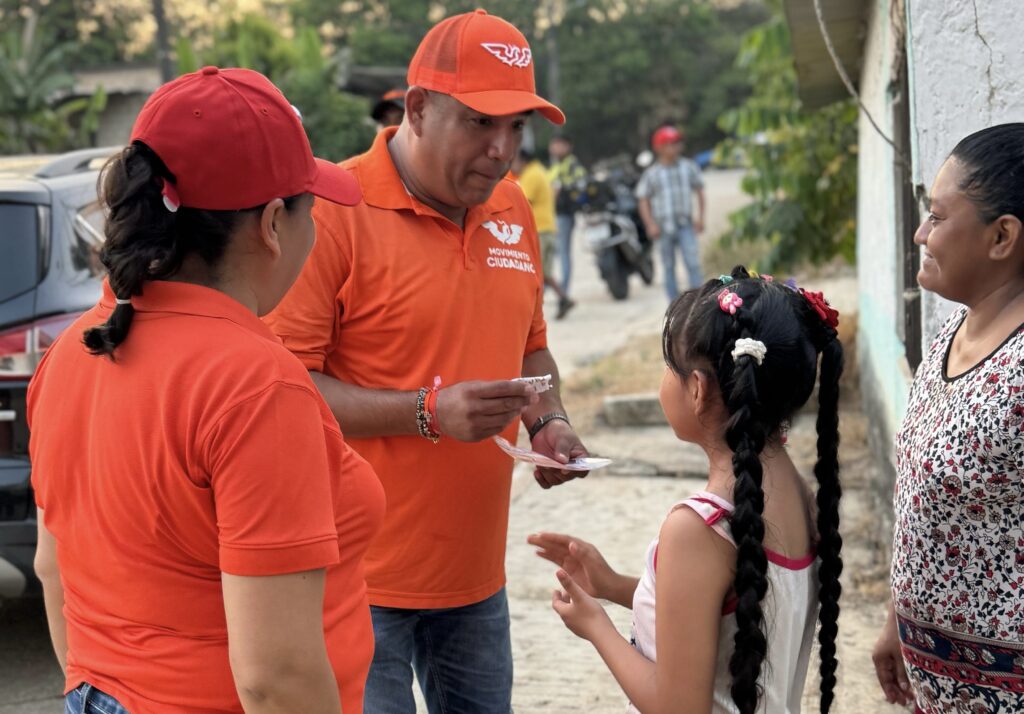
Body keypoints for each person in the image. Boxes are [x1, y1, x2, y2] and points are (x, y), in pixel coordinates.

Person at [28, 67, 384, 714]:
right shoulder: (255, 385)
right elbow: (274, 677)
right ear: (272, 224)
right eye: (312, 211)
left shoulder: (77, 348)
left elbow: (54, 570)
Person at [263, 10, 589, 714]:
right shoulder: (333, 211)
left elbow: (531, 344)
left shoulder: (511, 208)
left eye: (517, 127)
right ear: (416, 108)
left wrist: (549, 422)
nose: (502, 150)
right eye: (479, 122)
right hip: (356, 581)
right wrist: (426, 413)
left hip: (476, 581)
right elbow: (286, 390)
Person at [530, 267, 844, 713]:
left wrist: (597, 626)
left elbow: (677, 706)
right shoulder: (801, 495)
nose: (663, 378)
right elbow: (725, 611)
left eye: (669, 367)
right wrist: (615, 586)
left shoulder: (698, 528)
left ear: (697, 389)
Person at [872, 124, 1024, 712]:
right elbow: (922, 501)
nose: (920, 234)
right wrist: (897, 617)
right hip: (936, 683)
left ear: (1002, 236)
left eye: (936, 217)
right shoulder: (951, 334)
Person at [636, 125, 707, 300]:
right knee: (668, 266)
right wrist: (650, 224)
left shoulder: (688, 167)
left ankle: (699, 301)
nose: (675, 147)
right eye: (670, 144)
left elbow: (699, 191)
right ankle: (673, 303)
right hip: (663, 227)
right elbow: (643, 199)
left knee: (692, 263)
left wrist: (700, 218)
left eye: (677, 143)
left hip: (685, 224)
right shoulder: (652, 173)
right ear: (659, 148)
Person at [512, 147, 576, 319]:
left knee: (534, 273)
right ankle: (563, 299)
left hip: (539, 229)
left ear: (522, 160)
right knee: (542, 272)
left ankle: (534, 312)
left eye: (513, 161)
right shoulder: (541, 171)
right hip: (547, 228)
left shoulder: (531, 175)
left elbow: (522, 202)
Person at [548, 133, 587, 300]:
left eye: (559, 144)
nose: (555, 148)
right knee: (555, 251)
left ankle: (563, 290)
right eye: (553, 144)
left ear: (568, 146)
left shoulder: (572, 164)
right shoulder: (556, 165)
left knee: (563, 252)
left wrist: (561, 189)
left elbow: (581, 184)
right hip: (553, 214)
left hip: (564, 214)